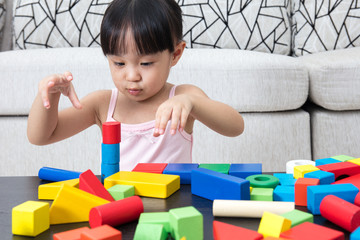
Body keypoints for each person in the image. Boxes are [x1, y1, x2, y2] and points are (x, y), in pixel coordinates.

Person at [27, 0, 244, 171]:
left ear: (175, 54)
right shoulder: (102, 104)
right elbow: (42, 136)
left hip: (174, 207)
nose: (132, 75)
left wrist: (193, 103)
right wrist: (49, 96)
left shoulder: (184, 96)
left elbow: (235, 127)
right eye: (119, 63)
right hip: (121, 208)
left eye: (146, 63)